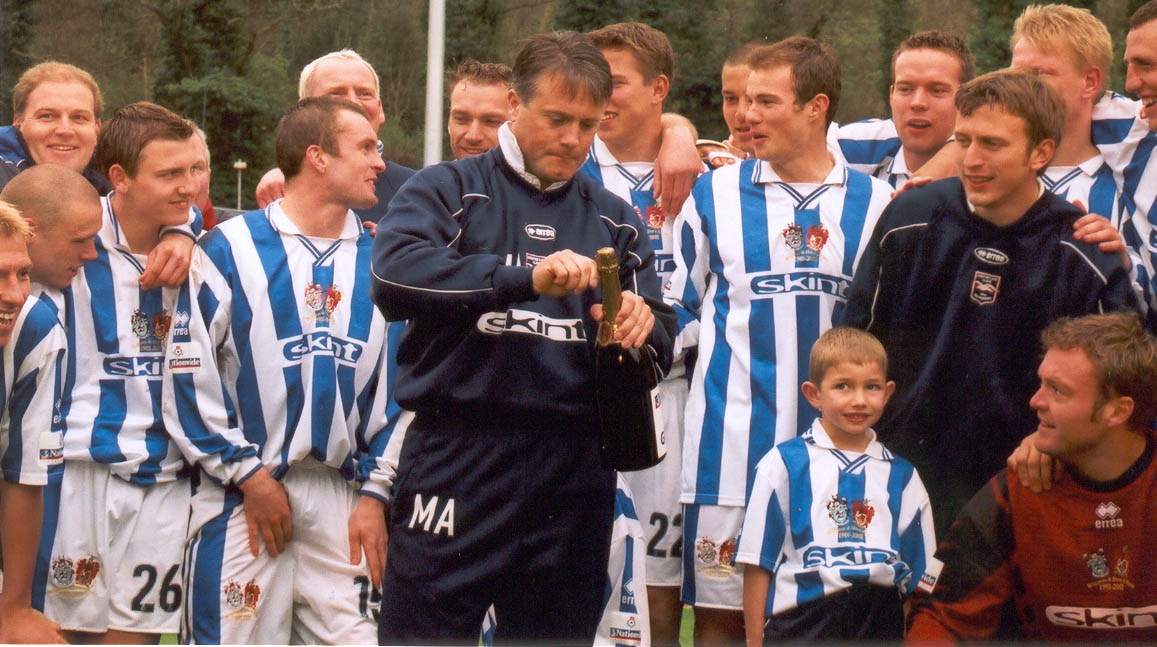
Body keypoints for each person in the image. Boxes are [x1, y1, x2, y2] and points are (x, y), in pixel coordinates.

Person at [371, 30, 675, 643]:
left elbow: (663, 332)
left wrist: (646, 330)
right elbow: (392, 277)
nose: (573, 139)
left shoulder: (615, 215)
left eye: (588, 124)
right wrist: (521, 279)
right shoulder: (446, 189)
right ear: (514, 103)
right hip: (461, 453)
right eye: (557, 118)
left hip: (576, 462)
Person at [841, 70, 1140, 537]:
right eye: (964, 140)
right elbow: (854, 341)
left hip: (1024, 483)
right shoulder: (910, 217)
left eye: (993, 144)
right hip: (896, 473)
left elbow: (1121, 385)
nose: (972, 160)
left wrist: (1049, 441)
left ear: (1040, 153)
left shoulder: (1081, 251)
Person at [665, 36, 892, 645]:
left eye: (767, 101)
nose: (745, 116)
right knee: (721, 619)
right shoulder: (713, 194)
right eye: (740, 101)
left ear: (816, 106)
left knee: (834, 623)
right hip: (730, 451)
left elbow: (887, 324)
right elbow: (677, 307)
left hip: (840, 457)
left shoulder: (875, 202)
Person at [164, 96, 398, 644]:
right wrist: (248, 475)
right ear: (317, 157)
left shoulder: (385, 260)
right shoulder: (225, 250)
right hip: (242, 497)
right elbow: (185, 376)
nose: (380, 163)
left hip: (347, 504)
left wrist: (376, 494)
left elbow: (404, 393)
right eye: (365, 148)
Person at [29, 102, 203, 645]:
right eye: (170, 174)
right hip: (79, 469)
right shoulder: (73, 231)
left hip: (165, 476)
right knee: (64, 632)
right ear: (122, 178)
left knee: (137, 636)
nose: (187, 188)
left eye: (193, 171)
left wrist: (187, 233)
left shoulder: (203, 251)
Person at [907, 312, 1157, 643]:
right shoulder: (1018, 488)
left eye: (1058, 390)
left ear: (1116, 411)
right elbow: (941, 616)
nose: (1035, 401)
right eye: (1041, 384)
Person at [582, 21, 695, 646]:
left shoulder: (714, 172)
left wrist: (680, 133)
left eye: (616, 82)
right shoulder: (568, 168)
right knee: (576, 574)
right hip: (585, 400)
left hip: (675, 398)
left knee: (659, 584)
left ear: (659, 88)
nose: (601, 95)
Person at [737, 327, 936, 643]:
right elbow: (757, 564)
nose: (859, 400)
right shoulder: (784, 464)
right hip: (804, 623)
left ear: (887, 393)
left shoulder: (903, 477)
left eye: (871, 387)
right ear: (813, 394)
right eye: (842, 386)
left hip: (877, 622)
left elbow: (918, 581)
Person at [0, 62, 193, 290]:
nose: (64, 130)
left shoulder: (112, 170)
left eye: (79, 118)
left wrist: (179, 233)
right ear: (18, 122)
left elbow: (187, 202)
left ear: (96, 127)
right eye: (47, 116)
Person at [0, 198, 66, 645]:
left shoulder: (34, 328)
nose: (14, 294)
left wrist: (13, 610)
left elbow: (23, 476)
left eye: (21, 274)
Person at [255, 49, 415, 221]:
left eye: (365, 94)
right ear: (304, 109)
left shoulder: (417, 191)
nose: (353, 102)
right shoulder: (276, 190)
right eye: (336, 93)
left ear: (380, 108)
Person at [833, 31, 974, 188]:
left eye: (937, 90)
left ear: (966, 99)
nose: (918, 103)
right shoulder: (865, 144)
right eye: (905, 89)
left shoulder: (986, 176)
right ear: (891, 95)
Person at [447, 59, 511, 160]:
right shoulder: (429, 176)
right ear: (449, 124)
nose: (473, 137)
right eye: (461, 119)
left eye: (491, 122)